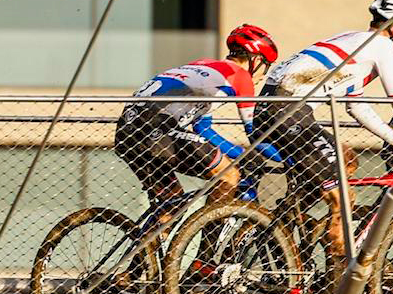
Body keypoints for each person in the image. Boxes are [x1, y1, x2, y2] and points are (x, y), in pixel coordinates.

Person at [254, 0, 393, 263]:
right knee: (344, 198)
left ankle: (294, 221)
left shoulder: (355, 41)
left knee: (346, 159)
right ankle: (334, 282)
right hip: (290, 114)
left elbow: (355, 105)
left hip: (274, 110)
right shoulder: (382, 46)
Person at [117, 24, 278, 222]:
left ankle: (145, 249)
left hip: (127, 131)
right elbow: (256, 134)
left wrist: (239, 153)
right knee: (229, 177)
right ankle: (207, 251)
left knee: (172, 205)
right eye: (267, 66)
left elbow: (203, 129)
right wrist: (287, 158)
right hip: (157, 129)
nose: (264, 74)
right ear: (256, 59)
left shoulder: (204, 65)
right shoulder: (240, 75)